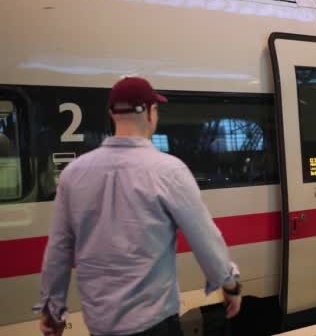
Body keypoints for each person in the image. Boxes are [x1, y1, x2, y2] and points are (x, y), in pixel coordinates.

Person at [36, 76, 242, 336]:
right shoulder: (169, 171)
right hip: (155, 322)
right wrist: (229, 283)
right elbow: (205, 239)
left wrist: (53, 310)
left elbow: (58, 248)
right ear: (150, 112)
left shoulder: (73, 173)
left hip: (100, 326)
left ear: (111, 113)